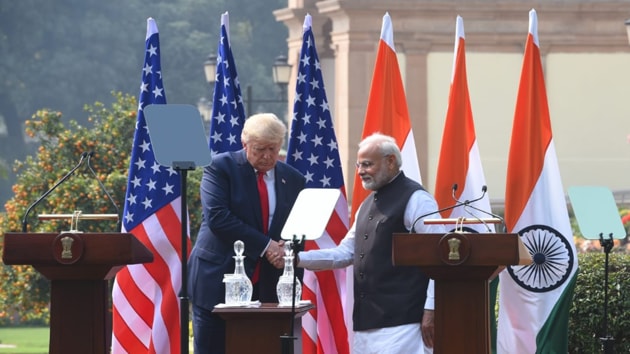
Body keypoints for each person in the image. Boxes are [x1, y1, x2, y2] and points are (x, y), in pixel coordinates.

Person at [297, 132, 444, 354]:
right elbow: (345, 253)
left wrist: (431, 309)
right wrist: (295, 258)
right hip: (367, 324)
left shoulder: (417, 199)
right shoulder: (366, 204)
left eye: (367, 164)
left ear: (391, 161)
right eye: (358, 165)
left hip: (404, 323)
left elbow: (439, 257)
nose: (360, 172)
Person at [188, 113, 306, 354]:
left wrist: (286, 248)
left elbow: (298, 226)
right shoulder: (220, 168)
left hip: (270, 285)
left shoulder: (293, 179)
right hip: (218, 281)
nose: (267, 156)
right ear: (245, 144)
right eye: (260, 149)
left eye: (273, 149)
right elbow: (218, 218)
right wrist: (267, 246)